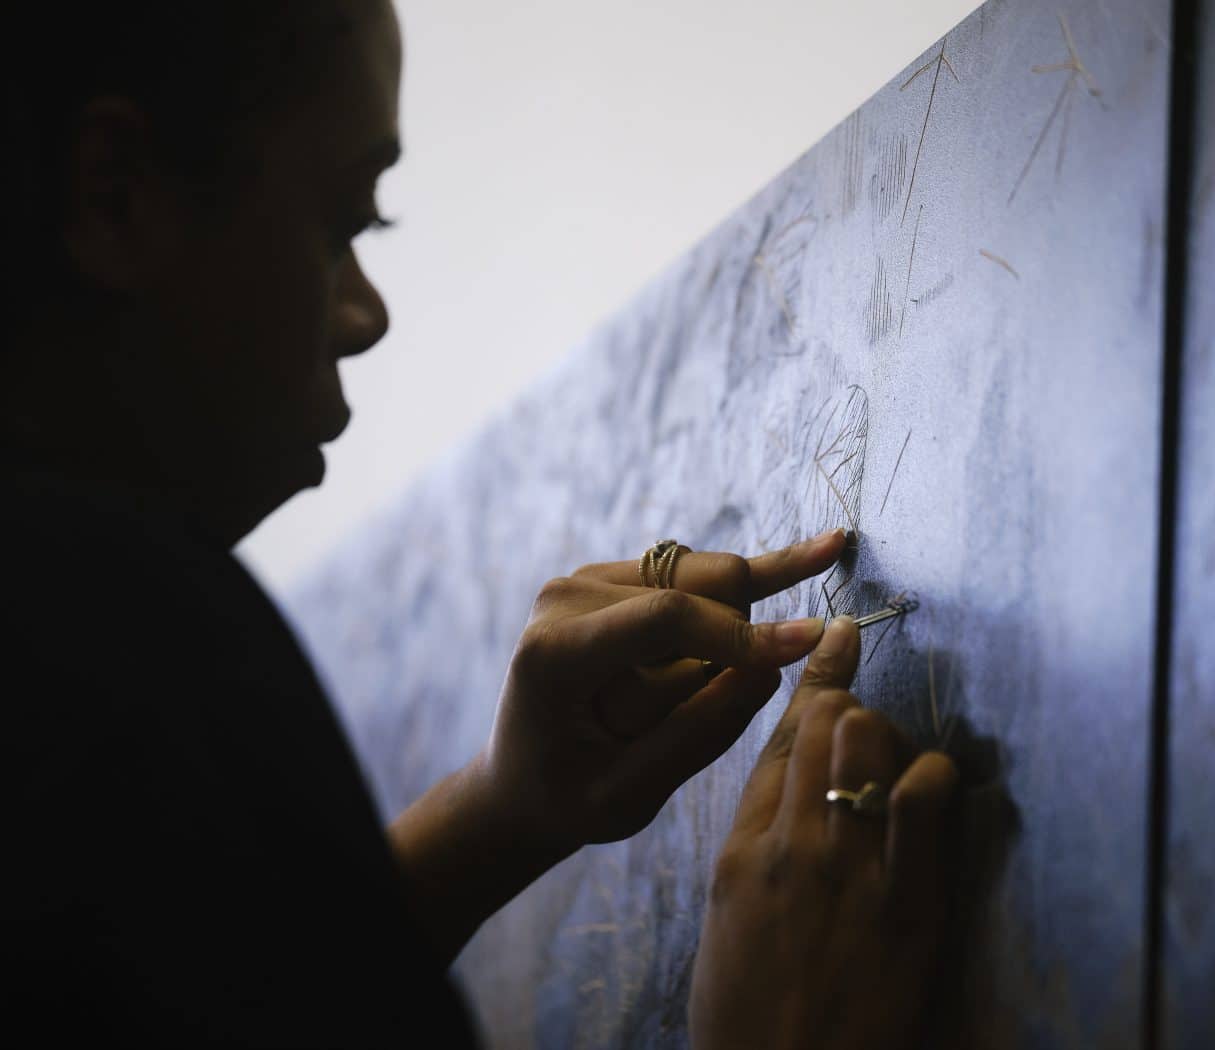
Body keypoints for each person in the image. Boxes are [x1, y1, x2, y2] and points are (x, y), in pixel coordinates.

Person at [2, 2, 959, 1046]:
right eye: (346, 220)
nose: (366, 317)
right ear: (113, 194)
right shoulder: (119, 621)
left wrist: (502, 811)